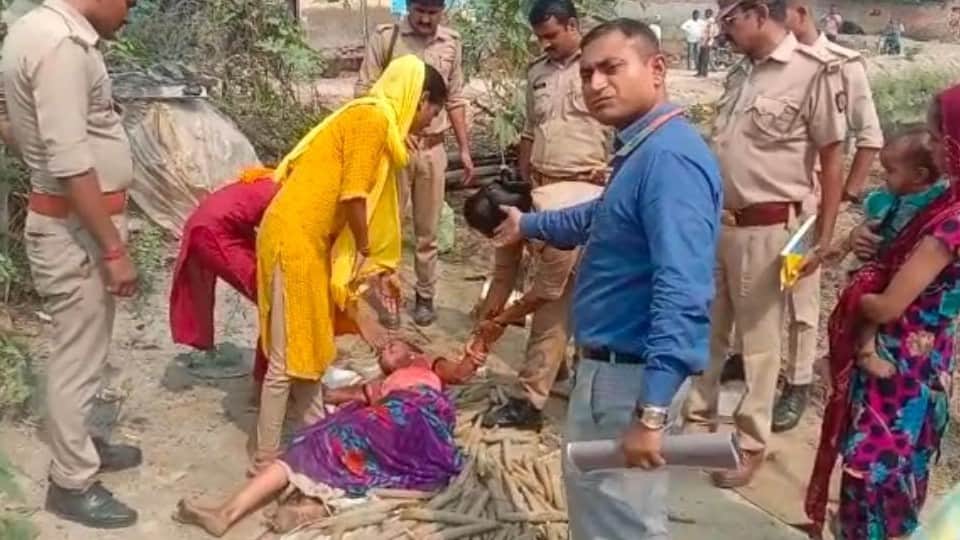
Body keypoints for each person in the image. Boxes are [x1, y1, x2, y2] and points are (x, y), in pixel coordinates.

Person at [494, 19, 721, 539]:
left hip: (631, 381)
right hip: (610, 373)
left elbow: (683, 290)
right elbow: (601, 218)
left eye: (612, 68)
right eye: (588, 72)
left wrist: (653, 411)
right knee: (603, 513)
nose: (595, 84)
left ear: (657, 69)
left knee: (622, 522)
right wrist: (528, 224)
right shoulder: (640, 151)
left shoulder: (670, 160)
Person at [250, 56, 447, 474]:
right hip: (293, 238)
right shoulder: (372, 119)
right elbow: (354, 196)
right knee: (287, 359)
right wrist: (364, 249)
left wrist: (377, 268)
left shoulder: (380, 127)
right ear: (420, 98)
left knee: (313, 348)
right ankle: (265, 458)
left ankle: (314, 437)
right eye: (432, 112)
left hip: (309, 240)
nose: (429, 123)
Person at [683, 0, 847, 488]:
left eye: (729, 18)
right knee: (706, 331)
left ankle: (749, 443)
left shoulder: (812, 73)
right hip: (720, 225)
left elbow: (834, 159)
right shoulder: (741, 74)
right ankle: (697, 427)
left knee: (758, 343)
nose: (723, 29)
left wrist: (822, 236)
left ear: (758, 12)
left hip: (772, 230)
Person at [1, 0, 141, 528]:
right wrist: (113, 248)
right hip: (75, 229)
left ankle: (78, 444)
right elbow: (70, 160)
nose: (131, 12)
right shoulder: (60, 44)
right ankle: (71, 480)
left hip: (72, 221)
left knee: (85, 347)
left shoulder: (32, 29)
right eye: (130, 1)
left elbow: (15, 125)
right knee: (76, 356)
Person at [806, 84, 960, 540]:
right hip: (909, 362)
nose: (936, 145)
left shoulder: (952, 218)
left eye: (941, 134)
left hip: (901, 370)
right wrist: (859, 245)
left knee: (877, 475)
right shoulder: (943, 200)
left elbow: (890, 304)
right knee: (885, 475)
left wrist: (855, 298)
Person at [174, 338, 483, 538]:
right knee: (316, 441)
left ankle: (283, 503)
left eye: (393, 345)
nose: (384, 348)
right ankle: (229, 513)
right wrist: (322, 392)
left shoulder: (428, 364)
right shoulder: (381, 384)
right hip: (395, 419)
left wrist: (478, 345)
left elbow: (460, 373)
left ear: (412, 351)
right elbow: (341, 396)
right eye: (381, 351)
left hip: (422, 415)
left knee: (316, 440)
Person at [764, 0, 885, 433]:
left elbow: (870, 137)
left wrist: (847, 195)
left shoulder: (841, 65)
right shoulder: (768, 61)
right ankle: (751, 366)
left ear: (798, 12)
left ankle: (795, 382)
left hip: (812, 203)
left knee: (799, 295)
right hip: (769, 197)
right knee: (760, 290)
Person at [356, 0, 472, 326]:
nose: (425, 19)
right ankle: (387, 297)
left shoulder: (452, 43)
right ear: (407, 7)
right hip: (393, 150)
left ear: (443, 11)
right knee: (386, 228)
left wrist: (463, 149)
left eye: (432, 12)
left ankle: (425, 296)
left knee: (428, 232)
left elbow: (456, 98)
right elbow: (365, 92)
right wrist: (393, 129)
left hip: (433, 149)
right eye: (419, 11)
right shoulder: (386, 38)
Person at [465, 180, 602, 430]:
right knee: (550, 323)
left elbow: (543, 294)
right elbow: (503, 278)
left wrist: (501, 321)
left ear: (504, 222)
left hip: (606, 259)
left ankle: (533, 401)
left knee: (582, 325)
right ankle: (546, 382)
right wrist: (482, 331)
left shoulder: (555, 227)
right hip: (576, 255)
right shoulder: (510, 216)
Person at [825, 130, 942, 379]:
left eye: (890, 171)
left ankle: (863, 352)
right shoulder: (898, 198)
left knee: (868, 307)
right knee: (859, 302)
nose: (885, 178)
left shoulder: (934, 204)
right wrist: (857, 234)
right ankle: (843, 355)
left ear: (919, 175)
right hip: (879, 266)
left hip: (898, 283)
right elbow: (872, 215)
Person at [169, 170, 279, 389]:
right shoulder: (293, 189)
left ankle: (270, 379)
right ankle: (266, 384)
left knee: (274, 298)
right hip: (214, 230)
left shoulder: (282, 178)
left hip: (223, 225)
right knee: (274, 300)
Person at [518, 0, 612, 187]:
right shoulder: (536, 72)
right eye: (539, 38)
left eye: (551, 35)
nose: (545, 44)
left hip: (588, 181)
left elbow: (624, 125)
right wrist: (524, 175)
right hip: (541, 182)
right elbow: (530, 130)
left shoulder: (601, 67)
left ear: (572, 26)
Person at [696, 8, 718, 77]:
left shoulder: (711, 21)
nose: (706, 14)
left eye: (707, 13)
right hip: (703, 41)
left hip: (706, 42)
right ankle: (700, 72)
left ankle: (703, 73)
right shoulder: (707, 21)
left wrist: (707, 41)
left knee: (704, 58)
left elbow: (710, 33)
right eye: (706, 13)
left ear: (710, 14)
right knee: (701, 57)